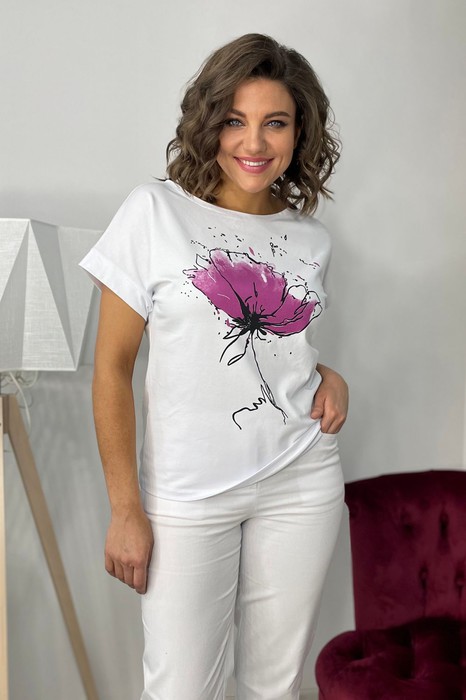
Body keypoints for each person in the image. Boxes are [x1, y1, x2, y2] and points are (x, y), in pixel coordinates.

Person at [79, 32, 348, 700]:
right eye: (234, 120)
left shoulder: (311, 238)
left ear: (300, 133)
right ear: (208, 124)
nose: (253, 143)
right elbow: (111, 368)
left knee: (274, 689)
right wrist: (125, 508)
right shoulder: (154, 213)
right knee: (180, 690)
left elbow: (279, 352)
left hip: (301, 480)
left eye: (274, 122)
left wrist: (329, 375)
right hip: (186, 495)